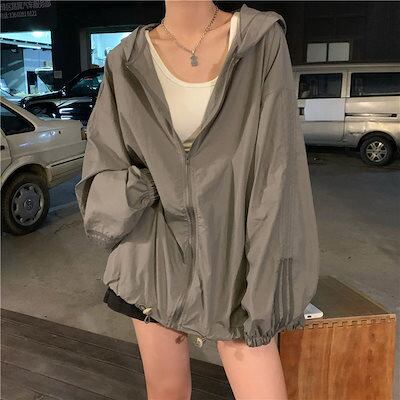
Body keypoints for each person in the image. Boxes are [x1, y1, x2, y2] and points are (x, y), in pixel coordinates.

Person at [75, 1, 320, 399]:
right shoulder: (126, 60)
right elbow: (104, 167)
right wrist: (151, 183)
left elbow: (278, 171)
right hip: (153, 254)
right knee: (167, 391)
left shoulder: (259, 42)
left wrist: (264, 281)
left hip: (236, 252)